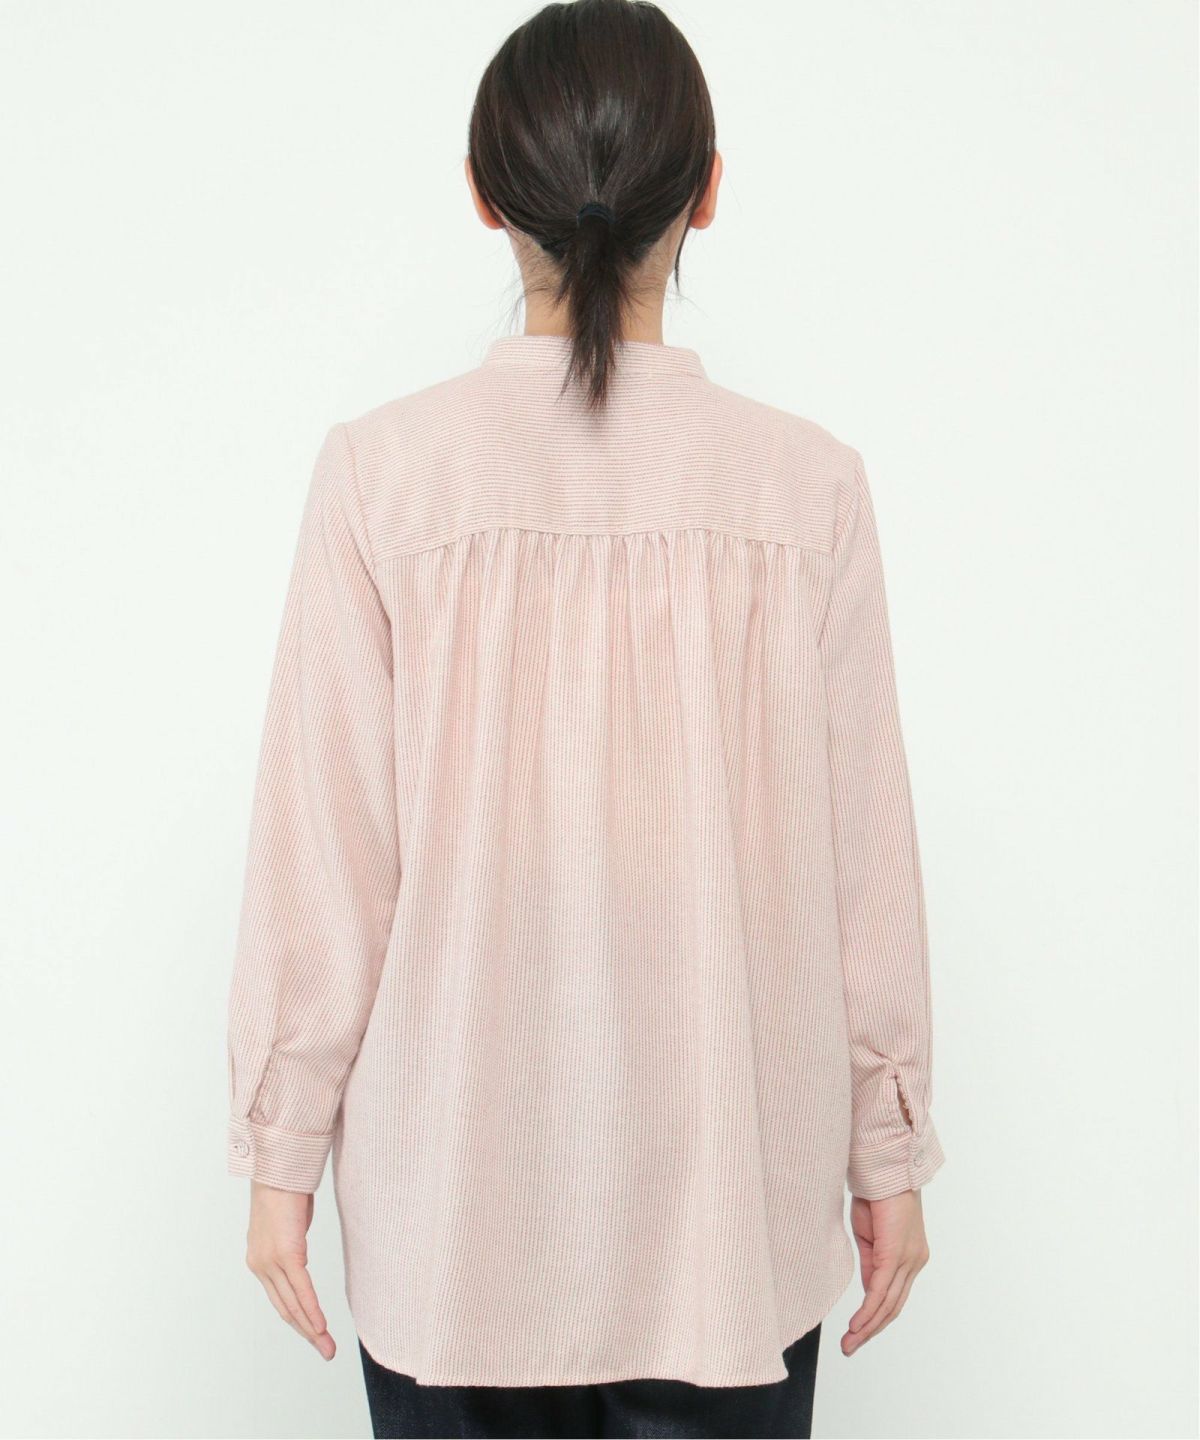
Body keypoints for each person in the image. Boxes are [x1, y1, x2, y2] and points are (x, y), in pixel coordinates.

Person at [225, 2, 946, 1436]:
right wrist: (889, 1147)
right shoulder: (808, 488)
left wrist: (281, 1147)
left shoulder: (383, 476)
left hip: (456, 1221)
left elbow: (327, 853)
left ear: (486, 197)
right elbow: (860, 862)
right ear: (709, 191)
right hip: (730, 1219)